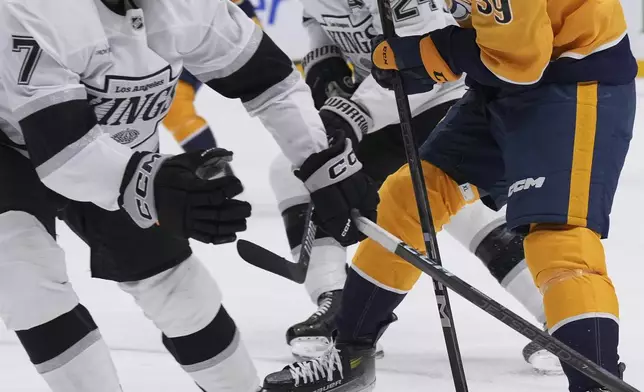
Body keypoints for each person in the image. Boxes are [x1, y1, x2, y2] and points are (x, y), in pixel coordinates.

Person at [0, 0, 378, 391]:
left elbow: (270, 81)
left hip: (108, 147)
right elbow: (63, 152)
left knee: (178, 290)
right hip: (13, 142)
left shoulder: (187, 6)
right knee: (25, 276)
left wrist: (320, 161)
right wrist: (153, 183)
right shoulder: (41, 9)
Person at [260, 0, 637, 390]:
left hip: (575, 84)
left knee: (560, 243)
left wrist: (425, 53)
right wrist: (418, 60)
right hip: (499, 85)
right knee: (407, 199)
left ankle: (597, 383)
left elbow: (521, 57)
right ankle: (349, 355)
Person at [163, 0, 261, 175]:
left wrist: (253, 37)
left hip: (203, 32)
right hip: (158, 34)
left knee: (172, 101)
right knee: (172, 103)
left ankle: (216, 174)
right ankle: (216, 173)